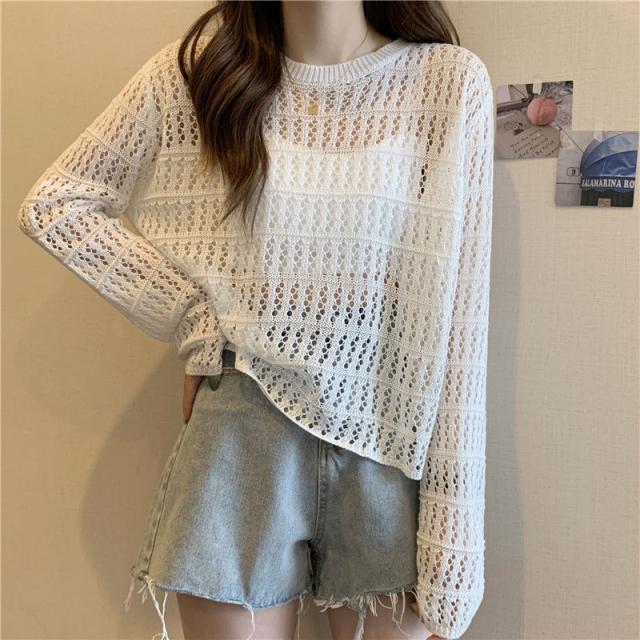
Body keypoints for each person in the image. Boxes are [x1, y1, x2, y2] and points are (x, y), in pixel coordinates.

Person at [17, 1, 494, 639]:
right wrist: (192, 319)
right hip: (240, 423)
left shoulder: (447, 83)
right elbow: (57, 206)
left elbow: (461, 327)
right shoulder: (199, 76)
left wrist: (455, 531)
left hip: (389, 436)